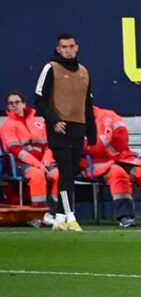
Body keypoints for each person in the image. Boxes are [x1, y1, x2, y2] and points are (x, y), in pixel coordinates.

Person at [34, 33, 97, 232]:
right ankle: (70, 216)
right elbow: (39, 98)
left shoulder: (84, 72)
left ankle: (60, 218)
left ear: (77, 47)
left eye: (71, 46)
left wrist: (91, 131)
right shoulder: (50, 67)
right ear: (58, 49)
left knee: (70, 172)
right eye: (64, 47)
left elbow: (88, 103)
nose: (68, 50)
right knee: (66, 172)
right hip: (60, 128)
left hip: (78, 127)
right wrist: (54, 120)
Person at [80, 106, 141, 227]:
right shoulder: (74, 119)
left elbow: (122, 138)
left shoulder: (109, 115)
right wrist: (105, 142)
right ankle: (125, 216)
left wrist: (103, 143)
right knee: (117, 173)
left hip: (123, 157)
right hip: (96, 163)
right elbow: (85, 147)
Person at [0, 92, 59, 222]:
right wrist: (38, 165)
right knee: (37, 175)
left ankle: (52, 213)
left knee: (58, 175)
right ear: (8, 107)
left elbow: (49, 145)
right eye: (11, 103)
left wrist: (47, 160)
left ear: (24, 104)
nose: (14, 105)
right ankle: (39, 215)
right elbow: (16, 150)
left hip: (44, 162)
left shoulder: (38, 123)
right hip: (20, 164)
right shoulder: (7, 126)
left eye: (17, 102)